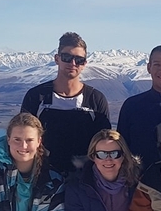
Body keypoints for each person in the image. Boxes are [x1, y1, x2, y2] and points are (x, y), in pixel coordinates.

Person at [20, 32, 111, 175]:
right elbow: (23, 139)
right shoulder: (36, 97)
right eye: (67, 58)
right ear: (57, 59)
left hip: (85, 181)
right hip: (43, 180)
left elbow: (105, 145)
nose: (73, 63)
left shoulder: (95, 99)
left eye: (79, 60)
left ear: (84, 64)